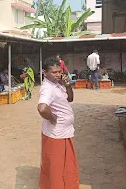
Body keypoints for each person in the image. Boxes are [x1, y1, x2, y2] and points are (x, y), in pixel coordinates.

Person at [38, 58, 79, 189]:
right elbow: (42, 108)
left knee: (65, 164)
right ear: (45, 72)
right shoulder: (47, 88)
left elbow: (70, 99)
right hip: (55, 135)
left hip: (64, 132)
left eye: (59, 71)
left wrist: (67, 85)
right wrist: (52, 118)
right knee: (56, 166)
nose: (57, 74)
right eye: (54, 72)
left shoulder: (56, 83)